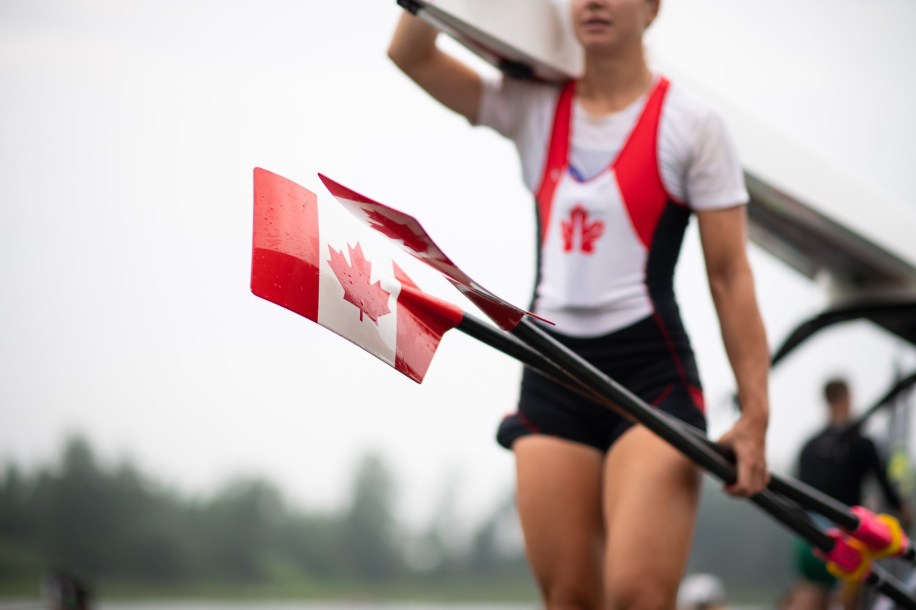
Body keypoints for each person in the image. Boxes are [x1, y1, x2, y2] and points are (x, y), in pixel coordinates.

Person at [388, 1, 771, 608]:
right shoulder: (534, 106)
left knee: (636, 595)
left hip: (651, 376)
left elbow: (729, 276)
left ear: (652, 9)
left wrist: (755, 417)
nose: (593, 0)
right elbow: (409, 54)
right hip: (551, 370)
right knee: (570, 600)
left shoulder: (693, 125)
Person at [790, 378, 910, 610]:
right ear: (847, 398)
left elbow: (798, 494)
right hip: (843, 535)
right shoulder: (861, 443)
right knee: (852, 592)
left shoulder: (809, 445)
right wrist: (903, 512)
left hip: (807, 537)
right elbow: (884, 483)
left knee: (812, 594)